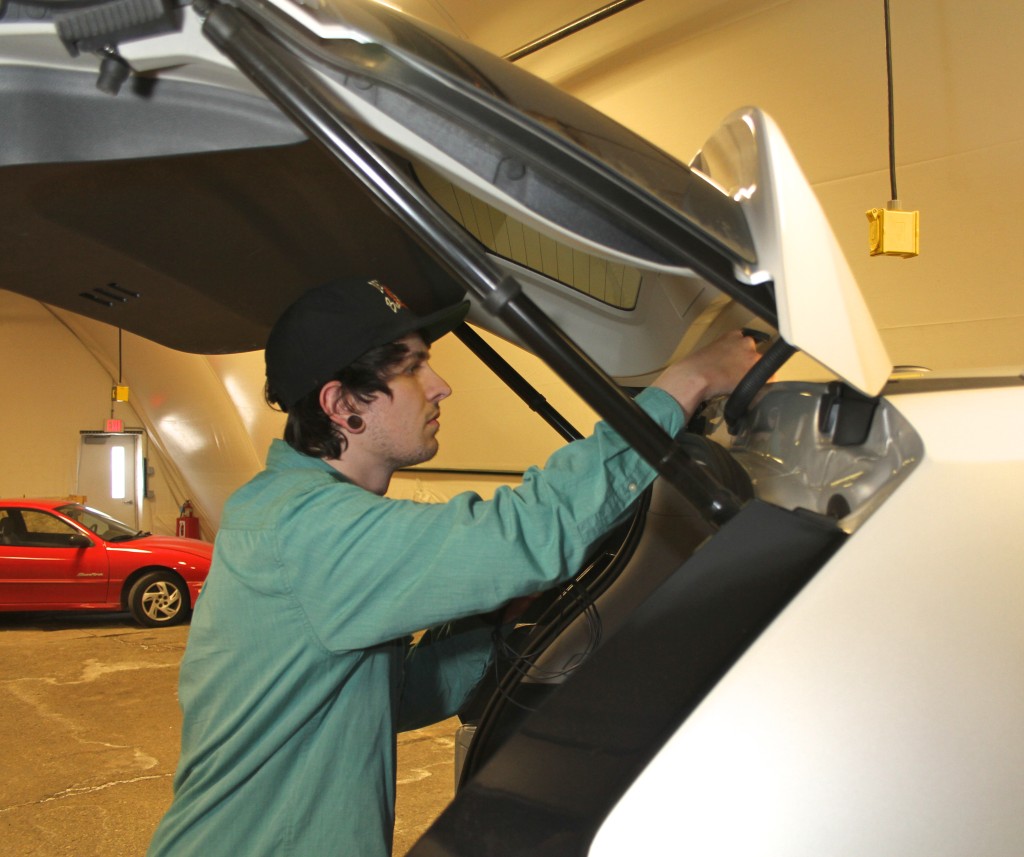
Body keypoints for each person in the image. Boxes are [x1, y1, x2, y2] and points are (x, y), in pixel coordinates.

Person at [147, 276, 761, 857]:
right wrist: (687, 383)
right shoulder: (307, 530)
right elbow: (527, 532)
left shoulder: (292, 513)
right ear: (341, 405)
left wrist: (493, 620)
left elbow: (396, 697)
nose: (440, 385)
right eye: (412, 368)